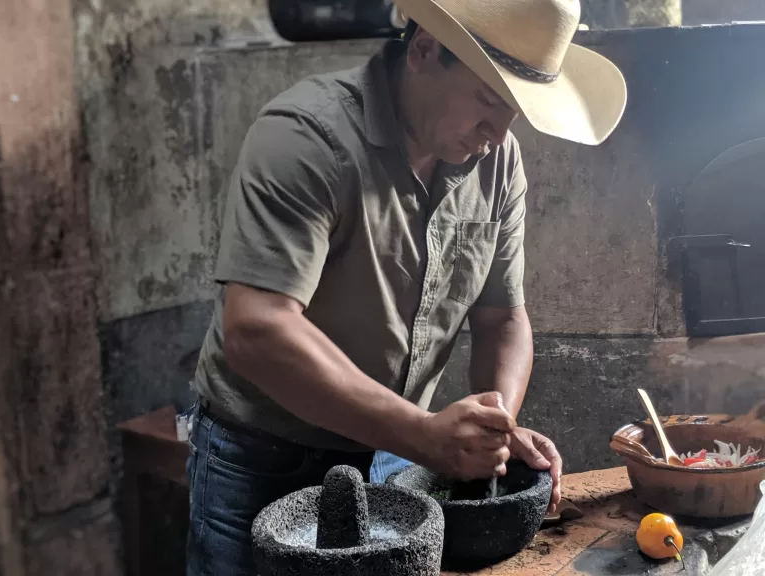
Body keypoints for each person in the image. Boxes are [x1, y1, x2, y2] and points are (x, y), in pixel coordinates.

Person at [185, 0, 627, 573]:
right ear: (423, 50)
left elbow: (502, 318)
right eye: (489, 100)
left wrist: (496, 431)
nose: (498, 133)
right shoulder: (306, 137)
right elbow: (257, 329)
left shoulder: (498, 161)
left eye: (515, 111)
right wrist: (423, 435)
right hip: (263, 457)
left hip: (398, 452)